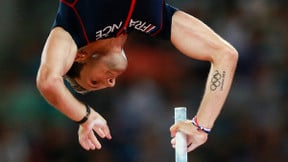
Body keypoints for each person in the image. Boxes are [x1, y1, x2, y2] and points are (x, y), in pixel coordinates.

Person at [36, 0, 238, 152]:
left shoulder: (72, 26)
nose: (111, 82)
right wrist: (201, 127)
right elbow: (225, 55)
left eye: (94, 81)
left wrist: (84, 117)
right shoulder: (154, 21)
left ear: (80, 56)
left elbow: (47, 81)